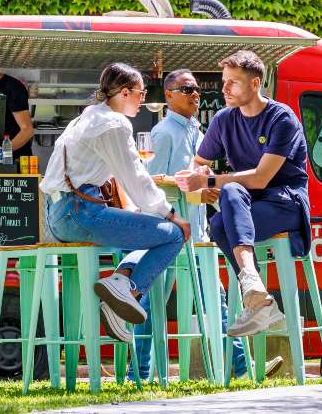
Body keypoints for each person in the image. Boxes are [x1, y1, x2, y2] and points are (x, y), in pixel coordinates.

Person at [120, 69, 282, 381]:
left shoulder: (197, 130)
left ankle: (240, 367)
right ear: (169, 96)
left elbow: (197, 180)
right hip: (167, 233)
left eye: (196, 89)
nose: (195, 94)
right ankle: (138, 373)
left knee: (213, 297)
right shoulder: (164, 132)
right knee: (155, 302)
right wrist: (193, 189)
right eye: (187, 89)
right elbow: (149, 183)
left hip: (195, 233)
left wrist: (208, 190)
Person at [41, 63, 190, 341]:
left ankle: (120, 286)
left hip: (56, 215)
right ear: (124, 92)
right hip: (81, 212)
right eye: (141, 94)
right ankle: (127, 291)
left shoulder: (86, 118)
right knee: (172, 235)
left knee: (147, 231)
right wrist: (171, 214)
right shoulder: (114, 123)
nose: (143, 101)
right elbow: (135, 177)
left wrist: (143, 212)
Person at [176, 50, 312, 340]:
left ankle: (253, 289)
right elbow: (199, 161)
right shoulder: (224, 119)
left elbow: (261, 178)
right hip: (249, 204)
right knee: (218, 221)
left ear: (255, 83)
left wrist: (209, 180)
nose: (224, 88)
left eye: (233, 82)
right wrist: (201, 174)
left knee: (224, 210)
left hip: (285, 202)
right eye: (224, 81)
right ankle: (257, 294)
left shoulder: (282, 118)